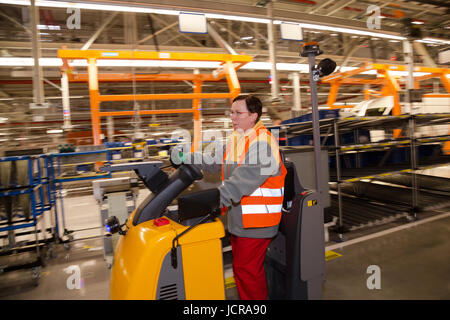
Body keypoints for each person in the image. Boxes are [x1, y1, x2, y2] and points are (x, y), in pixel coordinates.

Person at [172, 95, 286, 300]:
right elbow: (213, 162)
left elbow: (240, 183)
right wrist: (185, 157)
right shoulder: (238, 137)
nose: (232, 117)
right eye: (231, 112)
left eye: (238, 113)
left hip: (257, 223)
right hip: (240, 220)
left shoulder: (263, 144)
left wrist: (210, 203)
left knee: (247, 272)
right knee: (244, 270)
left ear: (253, 116)